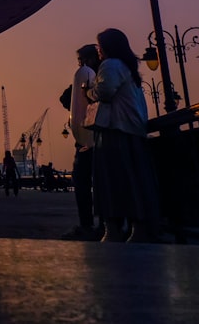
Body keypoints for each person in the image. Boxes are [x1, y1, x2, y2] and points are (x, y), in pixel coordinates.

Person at [86, 28, 160, 242]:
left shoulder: (110, 65)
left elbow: (105, 92)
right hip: (132, 130)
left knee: (112, 180)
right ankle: (139, 227)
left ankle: (113, 229)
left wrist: (88, 92)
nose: (98, 51)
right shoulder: (128, 68)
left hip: (114, 130)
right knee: (133, 179)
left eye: (100, 46)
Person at [62, 44, 101, 241]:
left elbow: (64, 98)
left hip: (90, 136)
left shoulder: (90, 77)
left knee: (83, 179)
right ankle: (104, 224)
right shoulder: (101, 74)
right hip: (100, 135)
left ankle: (88, 224)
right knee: (100, 181)